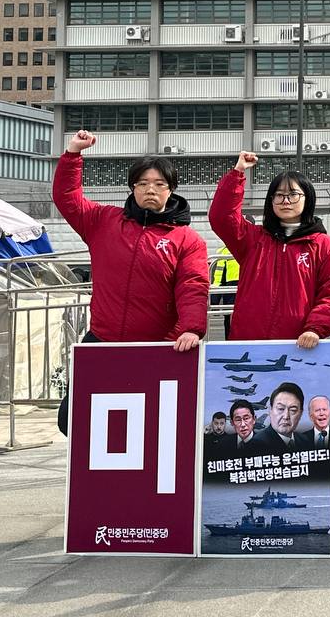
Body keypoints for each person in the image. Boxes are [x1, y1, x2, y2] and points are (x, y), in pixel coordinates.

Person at [53, 132, 208, 436]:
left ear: (171, 190)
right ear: (132, 188)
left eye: (159, 184)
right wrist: (73, 154)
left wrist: (191, 328)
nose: (151, 189)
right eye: (143, 183)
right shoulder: (103, 221)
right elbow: (67, 198)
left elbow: (193, 286)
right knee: (72, 420)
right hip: (102, 341)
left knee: (147, 424)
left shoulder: (187, 240)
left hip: (156, 348)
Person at [210, 152, 330, 347]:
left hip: (300, 347)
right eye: (279, 195)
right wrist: (238, 173)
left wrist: (315, 328)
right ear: (271, 200)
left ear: (308, 198)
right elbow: (222, 217)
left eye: (293, 194)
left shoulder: (325, 247)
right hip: (248, 345)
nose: (286, 201)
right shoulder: (252, 239)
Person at [253, 382, 306, 453]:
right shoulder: (256, 443)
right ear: (270, 410)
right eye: (280, 409)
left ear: (301, 413)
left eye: (293, 410)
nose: (286, 416)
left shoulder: (307, 441)